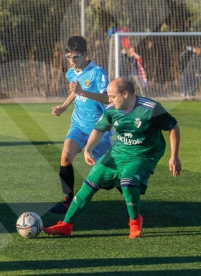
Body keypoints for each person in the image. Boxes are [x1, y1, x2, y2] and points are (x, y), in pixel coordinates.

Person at [43, 77, 181, 238]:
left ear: (126, 94)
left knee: (127, 183)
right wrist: (88, 149)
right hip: (117, 153)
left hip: (143, 155)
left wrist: (174, 156)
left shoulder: (150, 108)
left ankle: (135, 221)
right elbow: (99, 129)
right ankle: (66, 225)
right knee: (88, 185)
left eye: (113, 96)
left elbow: (173, 127)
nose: (109, 100)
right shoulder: (111, 109)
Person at [49, 36, 114, 214]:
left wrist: (83, 91)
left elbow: (108, 98)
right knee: (65, 156)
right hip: (78, 125)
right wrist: (64, 106)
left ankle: (132, 204)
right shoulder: (71, 72)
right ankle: (67, 200)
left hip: (98, 129)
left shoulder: (98, 73)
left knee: (109, 176)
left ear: (85, 54)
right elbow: (75, 92)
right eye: (68, 57)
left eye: (76, 57)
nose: (72, 61)